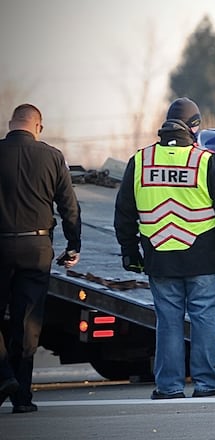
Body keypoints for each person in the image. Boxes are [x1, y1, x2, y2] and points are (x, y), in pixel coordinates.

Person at [114, 97, 215, 399]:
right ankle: (207, 384)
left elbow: (123, 212)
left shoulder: (141, 160)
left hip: (160, 257)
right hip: (204, 257)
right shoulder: (207, 161)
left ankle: (168, 386)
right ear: (195, 127)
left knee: (169, 323)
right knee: (204, 321)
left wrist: (129, 251)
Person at [0, 104, 81, 413]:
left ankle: (5, 375)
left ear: (11, 124)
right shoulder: (52, 156)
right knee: (27, 323)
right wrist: (73, 244)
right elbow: (69, 206)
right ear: (39, 127)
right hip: (37, 248)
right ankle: (22, 397)